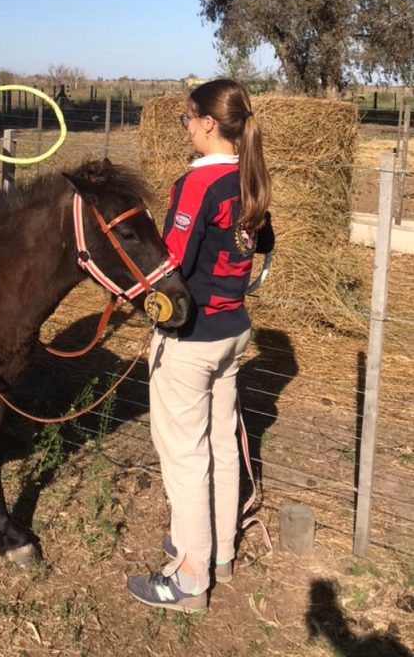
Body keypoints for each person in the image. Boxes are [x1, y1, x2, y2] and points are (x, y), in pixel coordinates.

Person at [127, 78, 275, 612]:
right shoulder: (250, 175)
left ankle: (190, 576)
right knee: (218, 443)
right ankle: (220, 552)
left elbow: (173, 266)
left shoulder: (198, 185)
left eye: (187, 119)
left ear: (208, 123)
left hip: (191, 340)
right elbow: (263, 246)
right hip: (235, 328)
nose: (185, 127)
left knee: (184, 455)